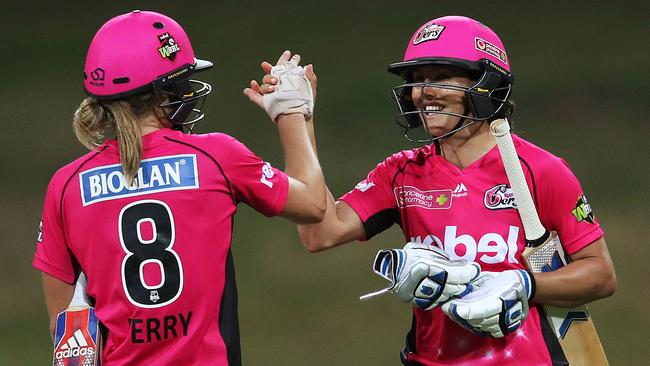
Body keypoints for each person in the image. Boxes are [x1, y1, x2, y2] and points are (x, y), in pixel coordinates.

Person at [257, 15, 616, 365]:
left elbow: (600, 275)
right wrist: (297, 119)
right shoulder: (402, 173)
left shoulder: (541, 171)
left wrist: (523, 284)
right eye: (418, 80)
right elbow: (319, 232)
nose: (423, 92)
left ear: (485, 85)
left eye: (441, 77)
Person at [33, 10, 325, 366]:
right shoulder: (216, 156)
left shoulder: (65, 185)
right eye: (182, 82)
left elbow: (64, 331)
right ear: (163, 93)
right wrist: (292, 113)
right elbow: (313, 204)